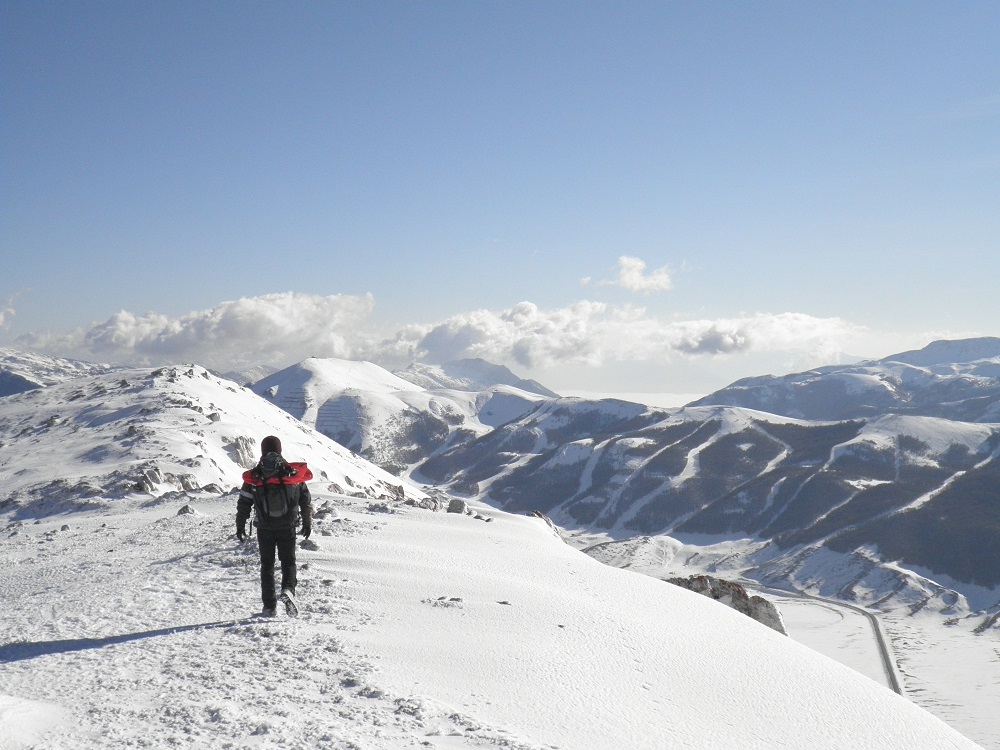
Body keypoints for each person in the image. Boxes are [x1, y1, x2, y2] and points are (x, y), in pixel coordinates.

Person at [237, 435, 313, 616]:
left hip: (264, 527)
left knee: (267, 566)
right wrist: (307, 521)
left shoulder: (256, 474)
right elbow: (305, 498)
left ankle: (269, 607)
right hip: (287, 526)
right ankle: (288, 590)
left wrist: (240, 525)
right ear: (279, 450)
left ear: (262, 450)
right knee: (288, 562)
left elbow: (244, 502)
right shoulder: (291, 472)